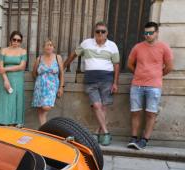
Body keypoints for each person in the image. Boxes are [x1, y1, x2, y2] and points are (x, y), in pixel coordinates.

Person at [64, 21, 120, 146]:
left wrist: (115, 82)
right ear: (94, 32)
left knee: (103, 107)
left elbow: (116, 65)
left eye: (103, 31)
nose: (100, 33)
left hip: (107, 79)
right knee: (96, 105)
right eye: (97, 31)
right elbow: (74, 55)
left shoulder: (112, 45)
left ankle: (96, 132)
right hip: (90, 80)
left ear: (107, 33)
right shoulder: (86, 43)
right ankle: (105, 132)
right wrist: (62, 67)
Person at [126, 21, 173, 150]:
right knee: (135, 112)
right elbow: (130, 64)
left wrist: (156, 75)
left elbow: (169, 67)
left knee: (151, 114)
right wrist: (139, 73)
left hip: (154, 86)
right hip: (137, 85)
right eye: (146, 33)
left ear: (157, 33)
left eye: (150, 33)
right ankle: (134, 138)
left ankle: (145, 140)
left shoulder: (164, 47)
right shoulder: (137, 47)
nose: (147, 35)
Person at [0, 31, 27, 126]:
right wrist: (6, 80)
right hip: (5, 78)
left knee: (16, 99)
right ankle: (4, 122)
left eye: (19, 40)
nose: (16, 42)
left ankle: (16, 121)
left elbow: (22, 67)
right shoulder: (3, 50)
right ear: (10, 40)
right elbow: (0, 67)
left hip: (18, 79)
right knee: (5, 99)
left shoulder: (23, 51)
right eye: (14, 40)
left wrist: (6, 68)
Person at [31, 39, 65, 125]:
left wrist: (61, 87)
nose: (49, 47)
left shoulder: (58, 57)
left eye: (51, 45)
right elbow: (34, 73)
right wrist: (40, 81)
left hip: (52, 87)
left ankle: (43, 130)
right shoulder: (39, 59)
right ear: (43, 47)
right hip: (40, 87)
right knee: (40, 110)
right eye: (47, 45)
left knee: (46, 107)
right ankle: (43, 130)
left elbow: (61, 73)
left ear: (53, 47)